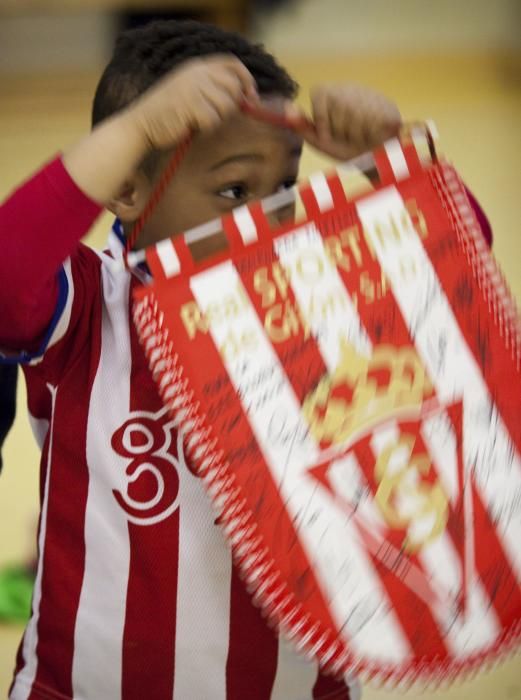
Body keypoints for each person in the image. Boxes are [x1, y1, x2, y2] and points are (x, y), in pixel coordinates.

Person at [0, 19, 490, 700]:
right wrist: (135, 132)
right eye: (233, 191)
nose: (265, 218)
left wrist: (390, 155)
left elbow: (454, 278)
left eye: (283, 188)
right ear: (127, 191)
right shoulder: (89, 304)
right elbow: (6, 272)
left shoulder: (318, 301)